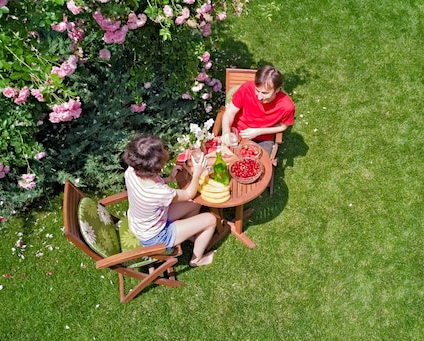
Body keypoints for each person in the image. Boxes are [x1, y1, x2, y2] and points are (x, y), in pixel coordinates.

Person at [122, 134, 216, 267]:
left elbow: (152, 181)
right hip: (156, 237)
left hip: (142, 222)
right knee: (211, 219)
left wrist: (169, 178)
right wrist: (197, 174)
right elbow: (189, 194)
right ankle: (197, 260)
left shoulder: (131, 171)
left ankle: (190, 233)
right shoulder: (160, 193)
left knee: (195, 204)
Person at [221, 65, 295, 155]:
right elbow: (229, 112)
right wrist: (226, 132)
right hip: (238, 132)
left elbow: (283, 126)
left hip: (263, 138)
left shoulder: (286, 106)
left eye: (265, 93)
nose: (259, 97)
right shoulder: (246, 88)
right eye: (257, 90)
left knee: (258, 163)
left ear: (277, 90)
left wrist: (258, 131)